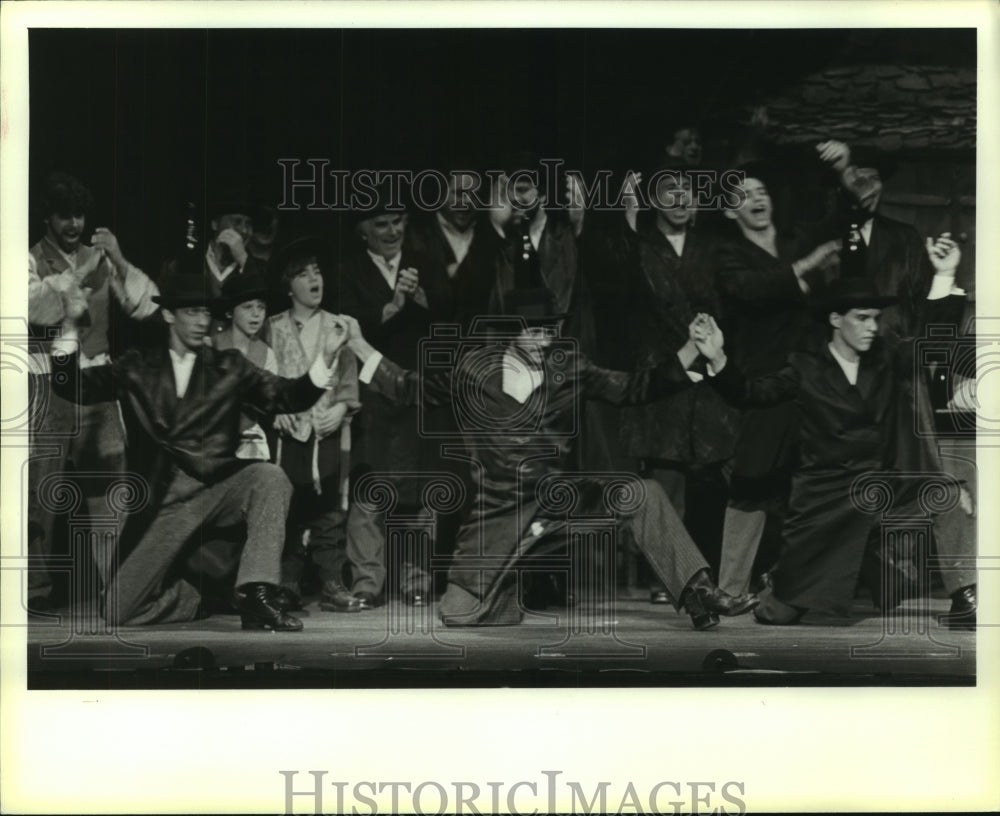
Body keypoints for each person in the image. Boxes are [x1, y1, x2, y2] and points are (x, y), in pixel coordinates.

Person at [335, 289, 759, 630]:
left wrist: (690, 348)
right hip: (498, 517)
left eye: (550, 330)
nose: (544, 339)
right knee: (460, 615)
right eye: (534, 331)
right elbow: (408, 388)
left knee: (641, 492)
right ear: (511, 332)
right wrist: (356, 343)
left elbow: (635, 388)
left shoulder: (570, 369)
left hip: (559, 505)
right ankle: (506, 593)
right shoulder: (473, 372)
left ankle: (698, 589)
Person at [48, 261, 350, 631]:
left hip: (218, 488)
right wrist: (70, 323)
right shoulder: (138, 366)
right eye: (191, 311)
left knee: (269, 477)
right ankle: (202, 598)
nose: (201, 321)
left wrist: (328, 357)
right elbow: (68, 385)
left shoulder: (230, 366)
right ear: (170, 316)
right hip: (164, 506)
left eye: (206, 312)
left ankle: (257, 596)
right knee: (117, 612)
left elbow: (289, 396)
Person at [694, 274, 977, 626]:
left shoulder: (885, 361)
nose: (871, 326)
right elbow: (752, 394)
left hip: (882, 495)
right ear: (835, 320)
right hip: (826, 508)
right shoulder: (805, 368)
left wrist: (945, 279)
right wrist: (718, 358)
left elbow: (931, 344)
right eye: (861, 318)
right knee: (777, 615)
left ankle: (967, 598)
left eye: (875, 318)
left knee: (949, 494)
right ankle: (777, 584)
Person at [27, 172, 160, 611]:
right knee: (43, 493)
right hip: (49, 382)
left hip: (97, 384)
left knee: (110, 494)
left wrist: (118, 259)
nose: (73, 224)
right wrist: (78, 275)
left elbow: (147, 305)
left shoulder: (99, 257)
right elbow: (36, 311)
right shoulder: (29, 259)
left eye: (79, 215)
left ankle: (116, 592)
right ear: (47, 216)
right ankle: (35, 591)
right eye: (64, 215)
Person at [712, 167, 842, 597]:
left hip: (813, 375)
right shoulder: (728, 254)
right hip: (765, 379)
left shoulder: (792, 241)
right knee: (752, 479)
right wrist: (803, 271)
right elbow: (752, 290)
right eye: (745, 194)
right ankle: (730, 590)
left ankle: (803, 585)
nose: (756, 197)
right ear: (732, 211)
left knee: (814, 480)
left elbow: (827, 292)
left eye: (761, 188)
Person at [336, 186, 449, 606]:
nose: (391, 230)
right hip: (372, 392)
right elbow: (349, 331)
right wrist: (393, 306)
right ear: (363, 230)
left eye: (398, 221)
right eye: (381, 224)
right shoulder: (348, 271)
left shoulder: (428, 265)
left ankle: (417, 579)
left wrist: (420, 299)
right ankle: (367, 580)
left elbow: (447, 319)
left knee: (422, 489)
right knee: (370, 487)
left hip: (419, 390)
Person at [267, 237, 363, 613]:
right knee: (288, 509)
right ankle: (287, 583)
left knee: (328, 513)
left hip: (326, 429)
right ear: (289, 285)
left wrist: (342, 409)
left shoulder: (337, 326)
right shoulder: (272, 327)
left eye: (317, 271)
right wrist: (274, 410)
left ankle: (331, 583)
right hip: (288, 433)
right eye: (303, 274)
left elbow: (350, 378)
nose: (313, 279)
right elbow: (261, 377)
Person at [214, 269, 278, 462]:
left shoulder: (267, 354)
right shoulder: (212, 346)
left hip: (250, 441)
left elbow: (269, 400)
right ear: (230, 311)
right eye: (247, 307)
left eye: (261, 307)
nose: (256, 314)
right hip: (211, 440)